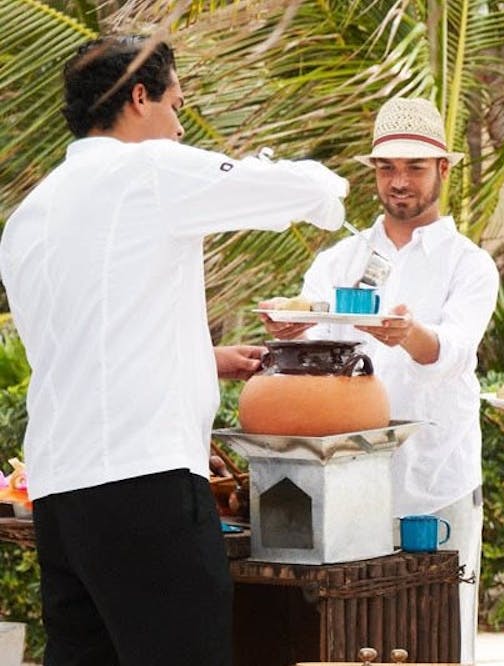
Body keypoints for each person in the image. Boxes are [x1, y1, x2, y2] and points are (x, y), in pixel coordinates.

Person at [0, 35, 349, 664]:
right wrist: (329, 182)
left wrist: (199, 357)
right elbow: (301, 193)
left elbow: (78, 343)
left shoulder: (28, 215)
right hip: (143, 482)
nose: (181, 126)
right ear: (140, 98)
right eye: (176, 105)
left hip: (59, 492)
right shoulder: (148, 170)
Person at [259, 97, 498, 661]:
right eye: (387, 168)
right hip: (346, 483)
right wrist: (292, 331)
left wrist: (410, 335)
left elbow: (454, 350)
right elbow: (312, 357)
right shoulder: (338, 260)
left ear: (444, 169)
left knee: (439, 635)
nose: (399, 181)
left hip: (436, 480)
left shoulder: (469, 264)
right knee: (352, 637)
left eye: (415, 167)